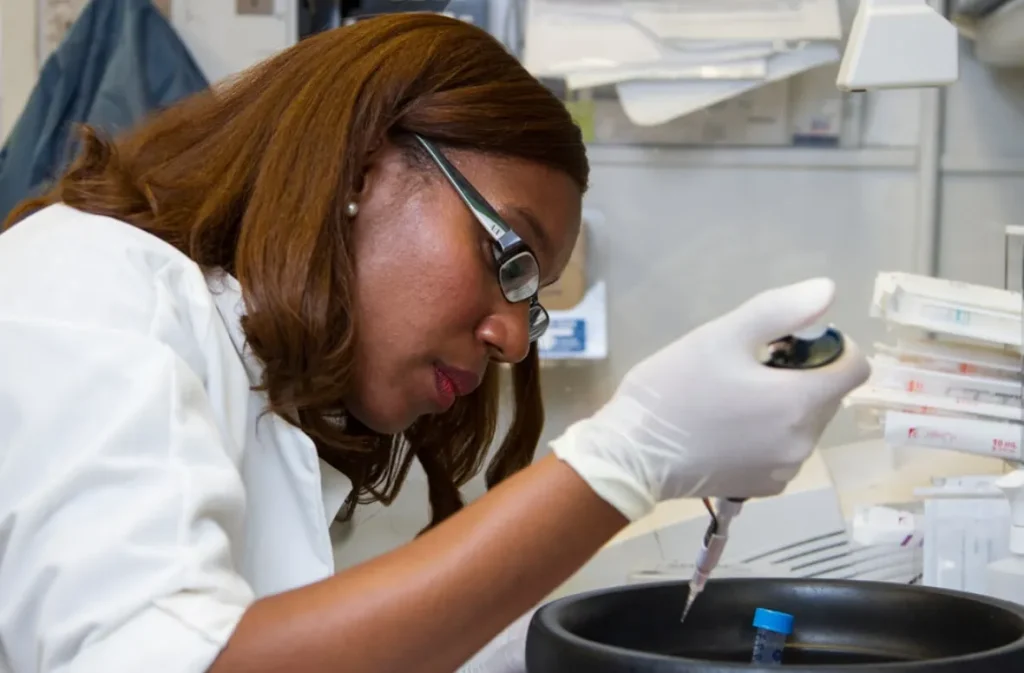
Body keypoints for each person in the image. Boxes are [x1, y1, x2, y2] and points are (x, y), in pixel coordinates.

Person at [0, 13, 870, 673]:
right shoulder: (84, 286)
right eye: (512, 258)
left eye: (531, 298)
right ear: (361, 165)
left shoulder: (263, 392)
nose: (512, 340)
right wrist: (626, 458)